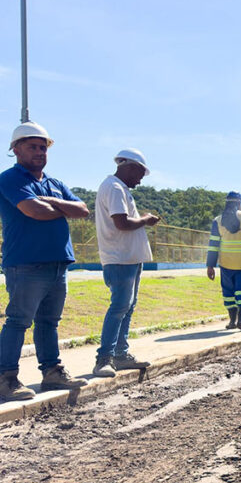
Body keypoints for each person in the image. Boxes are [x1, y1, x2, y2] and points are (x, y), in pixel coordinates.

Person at [0, 122, 90, 400]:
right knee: (18, 321)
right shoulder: (10, 179)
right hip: (26, 263)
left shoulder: (54, 183)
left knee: (49, 322)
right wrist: (61, 206)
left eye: (43, 147)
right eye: (32, 146)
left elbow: (83, 209)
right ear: (16, 149)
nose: (40, 152)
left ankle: (52, 372)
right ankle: (6, 379)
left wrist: (52, 201)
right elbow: (34, 210)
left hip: (57, 263)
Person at [92, 149, 161, 377]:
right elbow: (121, 223)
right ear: (129, 166)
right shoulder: (113, 187)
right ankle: (104, 358)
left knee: (127, 307)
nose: (140, 181)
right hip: (119, 259)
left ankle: (120, 354)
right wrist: (146, 220)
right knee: (120, 306)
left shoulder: (119, 188)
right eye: (140, 174)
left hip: (129, 259)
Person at [206, 191, 241, 332]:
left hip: (226, 264)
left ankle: (232, 321)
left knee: (228, 292)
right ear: (239, 203)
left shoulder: (218, 221)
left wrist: (210, 265)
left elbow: (213, 244)